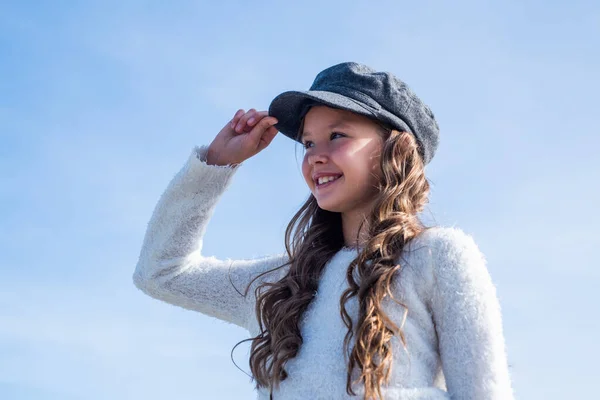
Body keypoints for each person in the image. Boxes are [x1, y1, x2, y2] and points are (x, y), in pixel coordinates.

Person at [133, 62, 514, 399]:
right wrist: (215, 164)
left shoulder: (438, 255)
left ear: (394, 149)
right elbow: (161, 272)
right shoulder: (282, 282)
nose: (315, 154)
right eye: (308, 142)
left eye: (337, 136)